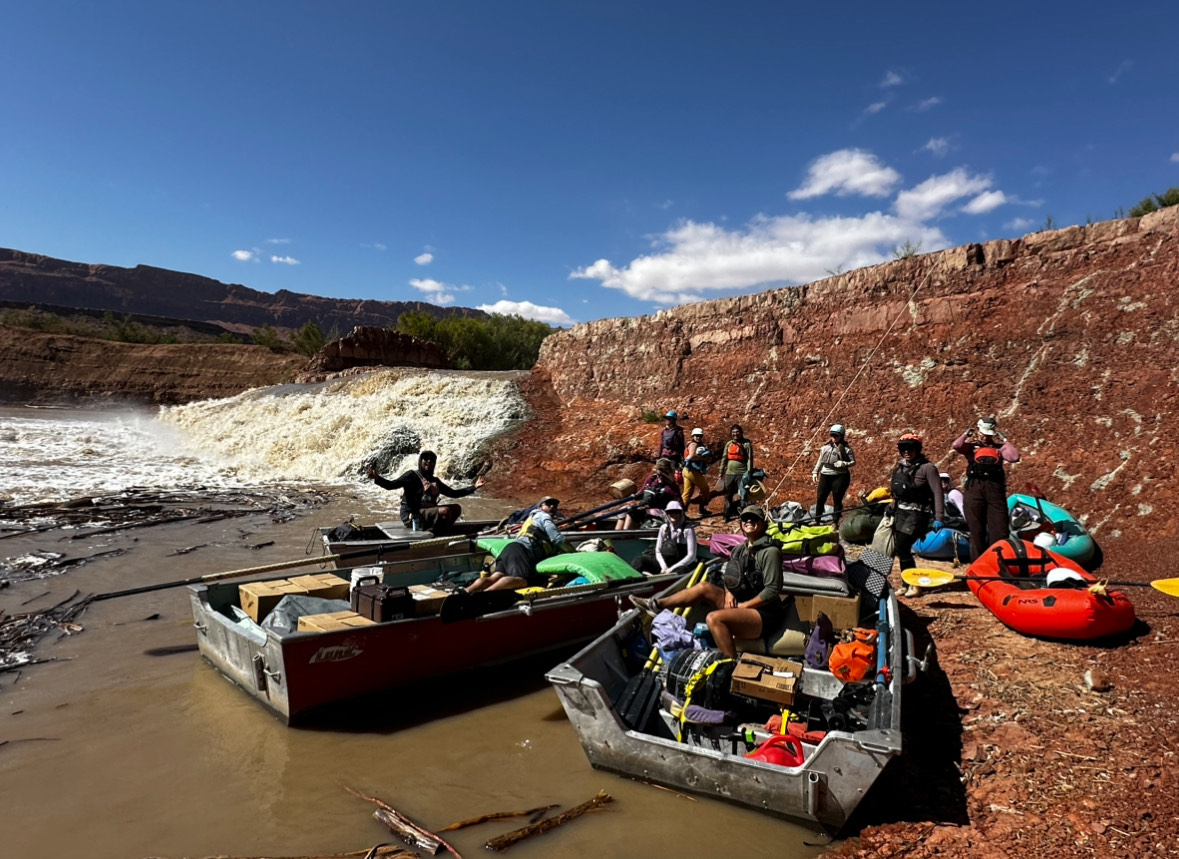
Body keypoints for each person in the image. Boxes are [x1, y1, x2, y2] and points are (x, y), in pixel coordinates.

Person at [629, 505, 783, 659]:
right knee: (704, 587)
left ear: (762, 523)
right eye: (745, 518)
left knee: (713, 618)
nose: (749, 521)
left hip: (763, 615)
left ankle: (729, 664)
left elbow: (772, 591)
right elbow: (730, 577)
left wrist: (744, 606)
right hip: (739, 604)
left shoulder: (770, 552)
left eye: (754, 518)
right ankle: (656, 604)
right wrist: (729, 593)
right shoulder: (739, 550)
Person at [367, 450, 485, 535]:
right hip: (411, 516)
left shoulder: (434, 480)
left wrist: (474, 487)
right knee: (445, 511)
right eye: (426, 459)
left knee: (456, 509)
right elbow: (391, 485)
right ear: (421, 461)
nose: (429, 462)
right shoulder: (411, 476)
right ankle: (439, 535)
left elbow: (453, 493)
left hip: (426, 515)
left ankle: (441, 532)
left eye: (432, 460)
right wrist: (377, 478)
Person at [952, 417, 1021, 561]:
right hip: (974, 488)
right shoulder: (971, 448)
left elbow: (1014, 457)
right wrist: (966, 434)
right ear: (978, 430)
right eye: (983, 432)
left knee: (1000, 530)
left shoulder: (999, 448)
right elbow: (957, 446)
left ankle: (998, 563)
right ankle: (978, 565)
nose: (986, 435)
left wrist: (1005, 440)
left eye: (989, 433)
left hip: (994, 489)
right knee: (976, 530)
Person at [467, 496, 566, 592]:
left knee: (494, 577)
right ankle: (484, 595)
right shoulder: (543, 516)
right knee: (521, 579)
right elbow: (557, 538)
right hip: (521, 550)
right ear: (540, 506)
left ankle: (465, 591)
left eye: (555, 505)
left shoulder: (532, 517)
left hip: (510, 549)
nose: (552, 507)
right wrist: (572, 552)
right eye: (548, 504)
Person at [889, 433, 945, 597]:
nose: (907, 452)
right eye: (903, 449)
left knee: (902, 545)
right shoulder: (900, 467)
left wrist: (939, 517)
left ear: (917, 449)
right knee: (902, 550)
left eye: (910, 448)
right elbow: (899, 492)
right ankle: (906, 584)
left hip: (918, 513)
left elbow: (938, 493)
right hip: (901, 512)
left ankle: (915, 585)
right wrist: (892, 506)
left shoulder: (928, 468)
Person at [630, 500, 699, 576]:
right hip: (664, 566)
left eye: (676, 512)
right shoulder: (664, 528)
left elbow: (691, 556)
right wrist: (664, 567)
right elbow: (658, 551)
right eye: (670, 512)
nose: (673, 514)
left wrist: (671, 569)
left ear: (681, 513)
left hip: (679, 566)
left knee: (682, 570)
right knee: (639, 560)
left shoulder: (688, 529)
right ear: (667, 514)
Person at [811, 424, 856, 526]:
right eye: (832, 435)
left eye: (836, 436)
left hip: (840, 475)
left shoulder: (846, 449)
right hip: (826, 474)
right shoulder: (825, 448)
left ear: (841, 436)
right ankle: (817, 520)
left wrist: (844, 463)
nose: (834, 438)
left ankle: (835, 521)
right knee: (821, 497)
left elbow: (853, 462)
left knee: (837, 498)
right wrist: (815, 472)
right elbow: (820, 461)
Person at [618, 458, 681, 530]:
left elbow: (679, 503)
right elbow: (642, 492)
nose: (660, 479)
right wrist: (634, 496)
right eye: (658, 475)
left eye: (662, 476)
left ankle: (625, 534)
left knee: (632, 512)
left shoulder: (672, 487)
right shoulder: (651, 479)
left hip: (661, 510)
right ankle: (615, 536)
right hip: (647, 507)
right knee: (622, 511)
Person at [720, 424, 754, 522]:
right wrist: (721, 470)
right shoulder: (729, 444)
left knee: (743, 494)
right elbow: (724, 458)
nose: (735, 434)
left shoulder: (746, 444)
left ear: (741, 433)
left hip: (742, 473)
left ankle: (743, 516)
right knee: (728, 495)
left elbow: (749, 459)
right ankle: (726, 515)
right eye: (733, 432)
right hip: (729, 473)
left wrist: (749, 472)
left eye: (737, 432)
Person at [681, 427, 715, 514]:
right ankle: (701, 509)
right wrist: (702, 459)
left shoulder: (690, 444)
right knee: (705, 489)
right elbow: (691, 456)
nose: (698, 437)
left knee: (687, 493)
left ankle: (681, 513)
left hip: (686, 470)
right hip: (692, 471)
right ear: (693, 436)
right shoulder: (694, 445)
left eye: (700, 436)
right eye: (696, 436)